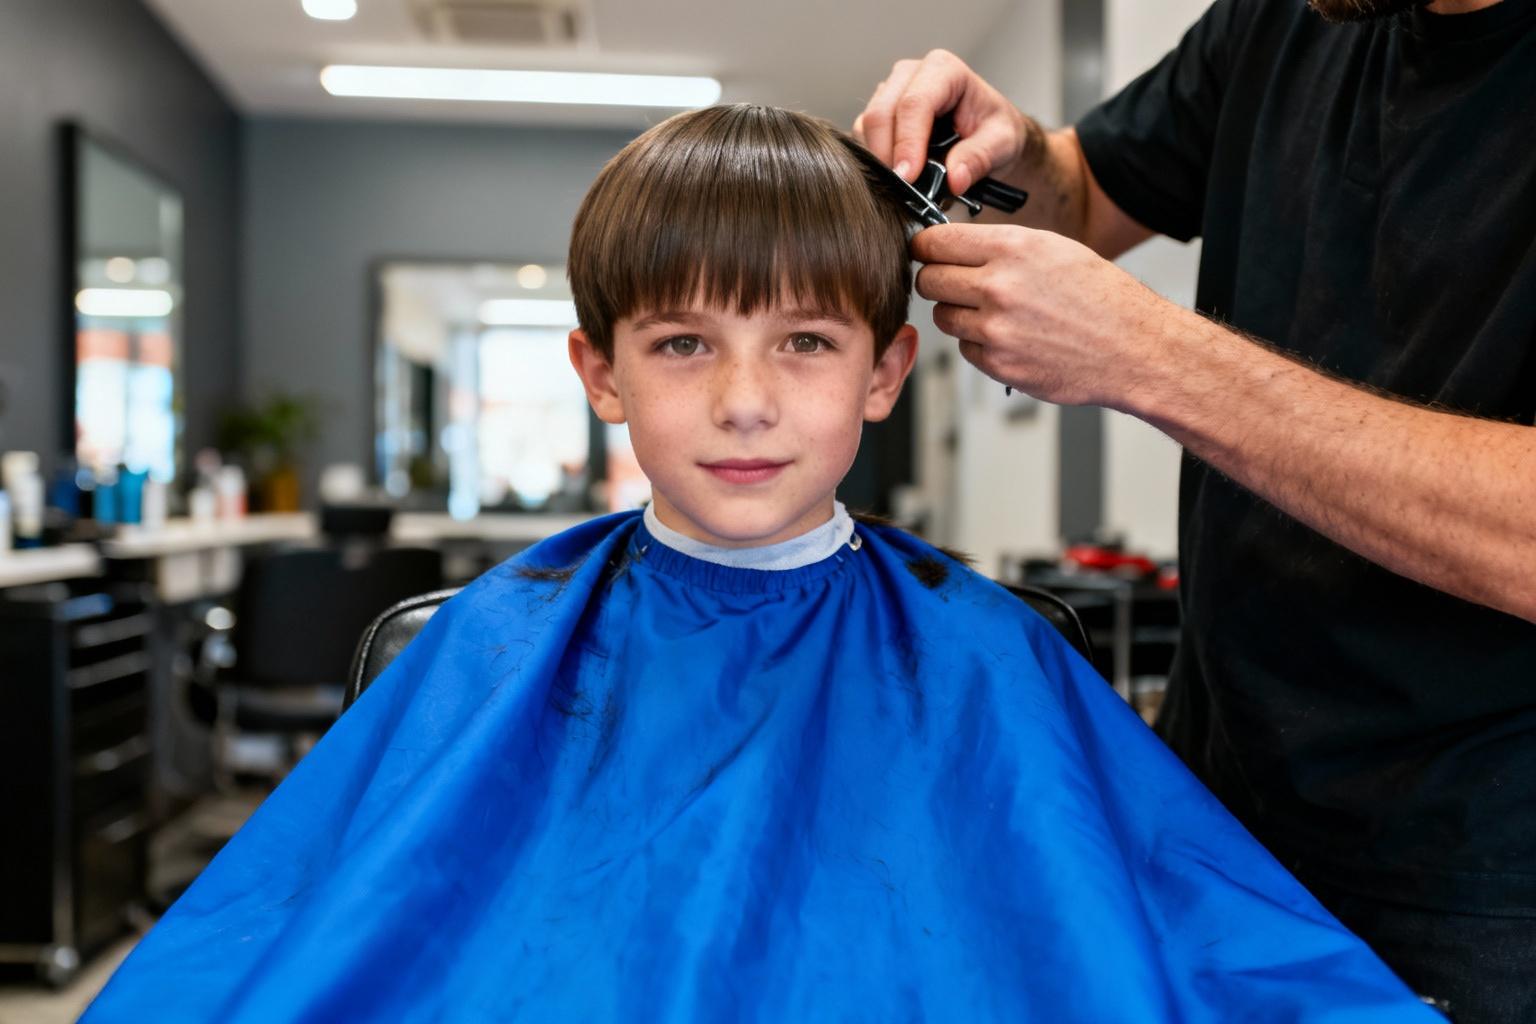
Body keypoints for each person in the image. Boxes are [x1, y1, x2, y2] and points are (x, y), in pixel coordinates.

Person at [84, 105, 1438, 1022]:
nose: (745, 401)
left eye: (805, 342)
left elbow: (1188, 918)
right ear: (598, 374)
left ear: (887, 370)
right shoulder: (496, 642)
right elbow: (281, 942)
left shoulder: (987, 652)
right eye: (682, 344)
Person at [854, 0, 1536, 1019]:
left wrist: (1152, 358)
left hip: (1475, 885)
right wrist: (1013, 152)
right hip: (1208, 800)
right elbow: (1079, 196)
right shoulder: (1293, 16)